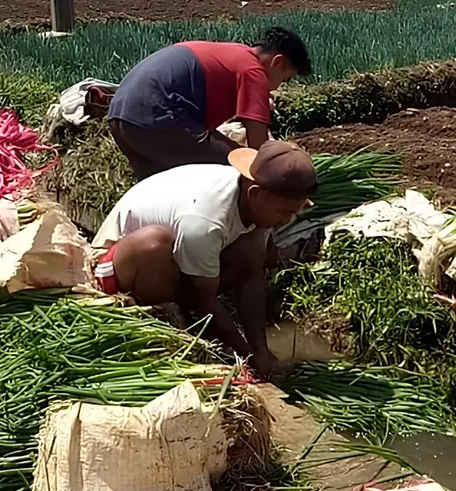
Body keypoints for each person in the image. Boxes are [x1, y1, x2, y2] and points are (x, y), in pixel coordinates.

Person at [90, 140, 317, 378]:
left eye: (295, 212)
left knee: (251, 251)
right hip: (115, 266)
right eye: (285, 213)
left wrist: (261, 350)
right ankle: (167, 322)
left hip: (180, 257)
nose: (288, 220)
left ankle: (187, 310)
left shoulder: (257, 201)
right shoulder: (205, 220)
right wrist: (245, 354)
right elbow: (204, 300)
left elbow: (251, 279)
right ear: (256, 193)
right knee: (154, 244)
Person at [106, 27, 312, 180]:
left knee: (158, 186)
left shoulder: (234, 54)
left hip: (120, 115)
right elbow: (258, 149)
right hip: (157, 118)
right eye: (285, 79)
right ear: (278, 62)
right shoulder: (253, 71)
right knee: (239, 165)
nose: (276, 88)